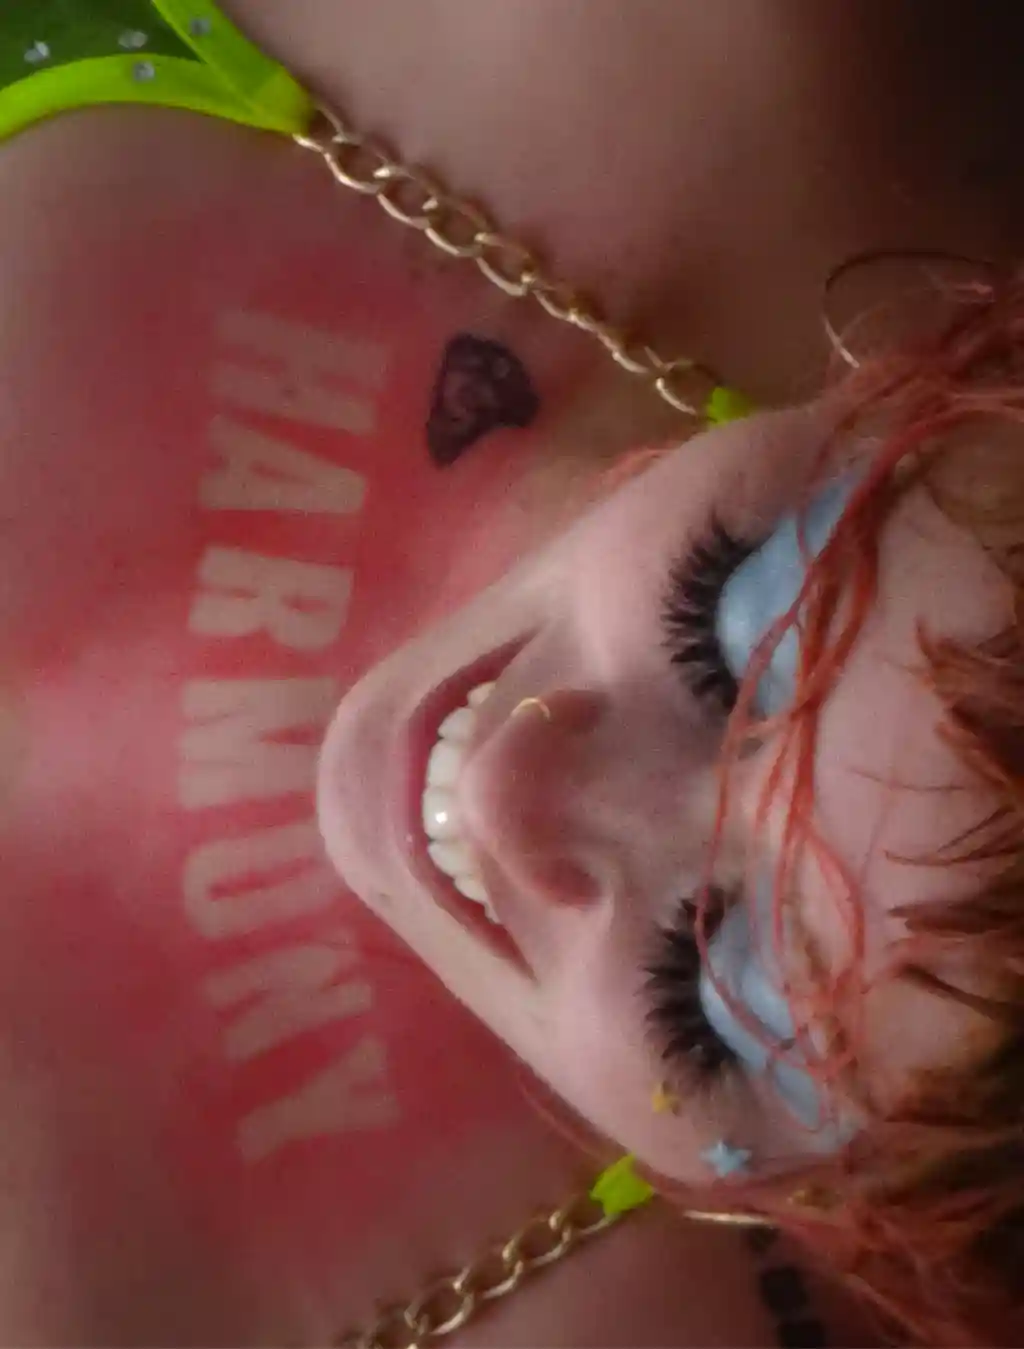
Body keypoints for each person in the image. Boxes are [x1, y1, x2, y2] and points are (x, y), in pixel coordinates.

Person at [2, 2, 1024, 1345]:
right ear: (923, 385)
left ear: (845, 1217)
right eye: (726, 629)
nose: (515, 792)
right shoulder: (689, 59)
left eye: (707, 996)